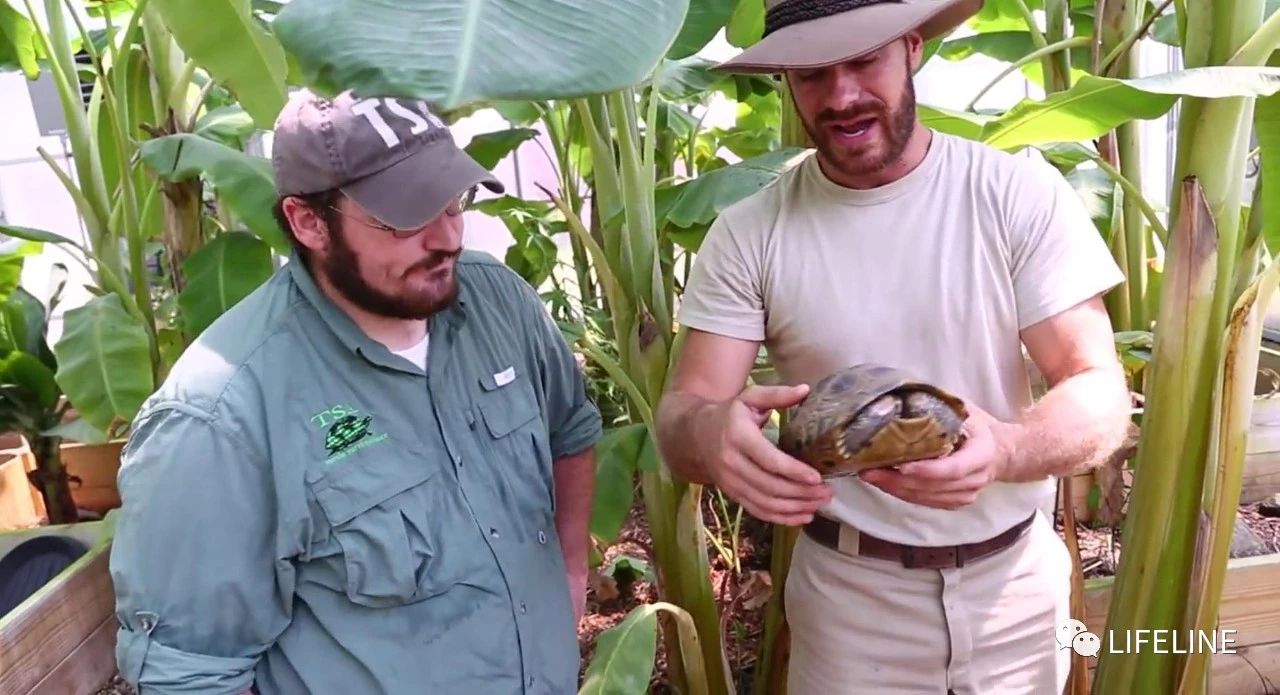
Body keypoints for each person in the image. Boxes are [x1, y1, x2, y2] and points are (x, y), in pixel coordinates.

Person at [653, 0, 1136, 693]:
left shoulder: (1014, 194)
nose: (842, 95)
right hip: (850, 606)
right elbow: (683, 415)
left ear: (912, 47)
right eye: (815, 73)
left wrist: (1004, 449)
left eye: (863, 60)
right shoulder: (750, 232)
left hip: (1015, 594)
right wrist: (711, 435)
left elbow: (1097, 386)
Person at [108, 88, 603, 694]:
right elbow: (191, 673)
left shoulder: (497, 300)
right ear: (308, 222)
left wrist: (571, 570)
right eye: (405, 218)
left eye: (453, 201)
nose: (446, 237)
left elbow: (569, 430)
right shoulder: (221, 416)